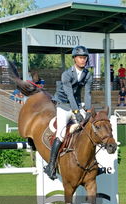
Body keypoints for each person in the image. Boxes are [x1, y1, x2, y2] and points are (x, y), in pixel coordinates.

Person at [45, 45, 92, 180]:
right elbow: (69, 94)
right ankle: (51, 165)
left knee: (89, 129)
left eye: (85, 58)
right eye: (81, 58)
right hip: (63, 105)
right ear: (74, 59)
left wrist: (87, 110)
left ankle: (93, 162)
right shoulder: (66, 74)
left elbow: (87, 93)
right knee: (60, 133)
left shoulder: (88, 74)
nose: (83, 60)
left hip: (76, 104)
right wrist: (76, 111)